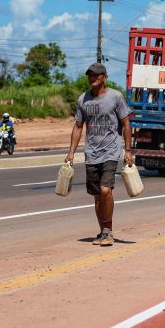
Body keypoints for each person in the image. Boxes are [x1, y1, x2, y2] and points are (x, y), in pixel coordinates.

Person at [65, 62, 132, 247]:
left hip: (111, 151)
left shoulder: (115, 97)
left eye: (96, 75)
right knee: (96, 195)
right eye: (90, 75)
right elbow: (78, 126)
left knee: (105, 190)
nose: (92, 78)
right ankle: (103, 231)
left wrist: (128, 150)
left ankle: (108, 230)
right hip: (91, 153)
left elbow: (126, 123)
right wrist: (71, 152)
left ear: (104, 77)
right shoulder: (83, 100)